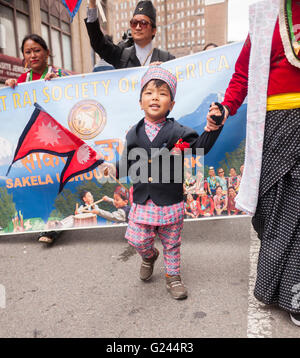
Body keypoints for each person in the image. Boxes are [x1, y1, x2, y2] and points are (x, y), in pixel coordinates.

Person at [206, 0, 300, 326]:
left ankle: (294, 294)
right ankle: (275, 286)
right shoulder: (264, 15)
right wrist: (226, 107)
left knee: (297, 206)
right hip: (273, 126)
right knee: (273, 205)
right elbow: (243, 73)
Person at [102, 66, 223, 300]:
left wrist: (213, 128)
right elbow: (128, 163)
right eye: (149, 92)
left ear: (172, 104)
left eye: (162, 93)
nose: (155, 96)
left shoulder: (179, 131)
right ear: (140, 102)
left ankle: (173, 277)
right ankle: (148, 256)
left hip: (170, 200)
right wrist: (113, 169)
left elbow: (200, 147)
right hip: (142, 200)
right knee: (137, 239)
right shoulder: (133, 134)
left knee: (171, 242)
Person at [5, 33, 70, 245]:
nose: (33, 55)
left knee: (54, 180)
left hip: (58, 138)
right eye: (28, 52)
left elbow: (73, 99)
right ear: (23, 56)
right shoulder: (22, 81)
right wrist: (9, 89)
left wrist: (60, 84)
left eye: (37, 50)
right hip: (35, 142)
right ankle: (47, 224)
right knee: (40, 181)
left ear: (47, 52)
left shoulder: (60, 74)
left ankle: (56, 224)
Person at [85, 0, 175, 69]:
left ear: (153, 30)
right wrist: (92, 5)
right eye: (134, 23)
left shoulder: (167, 60)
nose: (138, 27)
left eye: (143, 23)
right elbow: (98, 44)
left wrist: (163, 73)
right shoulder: (122, 56)